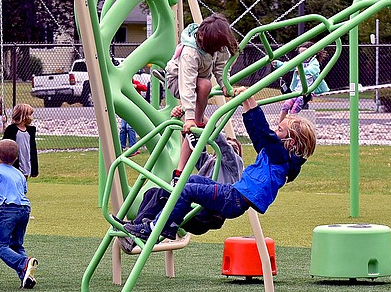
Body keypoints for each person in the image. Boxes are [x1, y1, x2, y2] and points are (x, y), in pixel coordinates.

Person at [124, 87, 314, 242]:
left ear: (291, 141)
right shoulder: (273, 156)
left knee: (185, 190)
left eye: (280, 130)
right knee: (190, 181)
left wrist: (252, 100)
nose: (275, 130)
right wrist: (246, 104)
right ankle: (151, 225)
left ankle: (159, 227)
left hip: (234, 199)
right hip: (233, 195)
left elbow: (264, 133)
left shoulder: (280, 158)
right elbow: (257, 134)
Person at [165, 13, 238, 181]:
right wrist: (190, 117)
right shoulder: (191, 51)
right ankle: (194, 120)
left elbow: (220, 69)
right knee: (204, 87)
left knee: (204, 89)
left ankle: (179, 173)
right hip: (178, 81)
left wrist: (226, 87)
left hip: (197, 85)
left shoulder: (217, 48)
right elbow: (187, 84)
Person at [0, 139, 38, 289]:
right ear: (16, 158)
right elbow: (22, 192)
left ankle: (23, 263)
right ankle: (26, 275)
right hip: (25, 209)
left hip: (9, 209)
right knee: (16, 244)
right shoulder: (19, 174)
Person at [273, 44, 329, 121]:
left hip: (307, 91)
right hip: (297, 90)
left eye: (305, 53)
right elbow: (289, 65)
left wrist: (302, 71)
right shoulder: (299, 61)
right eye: (301, 53)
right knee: (285, 106)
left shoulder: (314, 62)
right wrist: (278, 64)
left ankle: (289, 127)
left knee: (294, 110)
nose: (302, 55)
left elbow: (314, 70)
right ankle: (280, 125)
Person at [3, 103, 39, 182]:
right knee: (14, 181)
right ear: (23, 116)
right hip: (15, 162)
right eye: (29, 114)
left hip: (26, 160)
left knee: (23, 182)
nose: (31, 117)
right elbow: (4, 146)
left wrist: (34, 167)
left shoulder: (30, 131)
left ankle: (21, 193)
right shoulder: (11, 129)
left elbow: (33, 149)